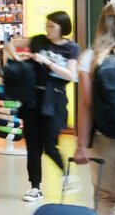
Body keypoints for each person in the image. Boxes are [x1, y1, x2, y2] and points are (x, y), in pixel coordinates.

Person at [74, 3, 115, 215]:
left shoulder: (90, 57)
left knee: (106, 198)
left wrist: (81, 145)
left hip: (105, 139)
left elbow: (87, 105)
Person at [20, 11, 79, 203]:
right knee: (33, 146)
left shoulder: (71, 48)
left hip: (54, 98)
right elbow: (12, 45)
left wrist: (47, 61)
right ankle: (35, 187)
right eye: (47, 25)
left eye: (52, 26)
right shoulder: (38, 40)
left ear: (63, 27)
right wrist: (16, 61)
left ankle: (65, 174)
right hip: (32, 99)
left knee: (50, 144)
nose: (48, 29)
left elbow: (71, 75)